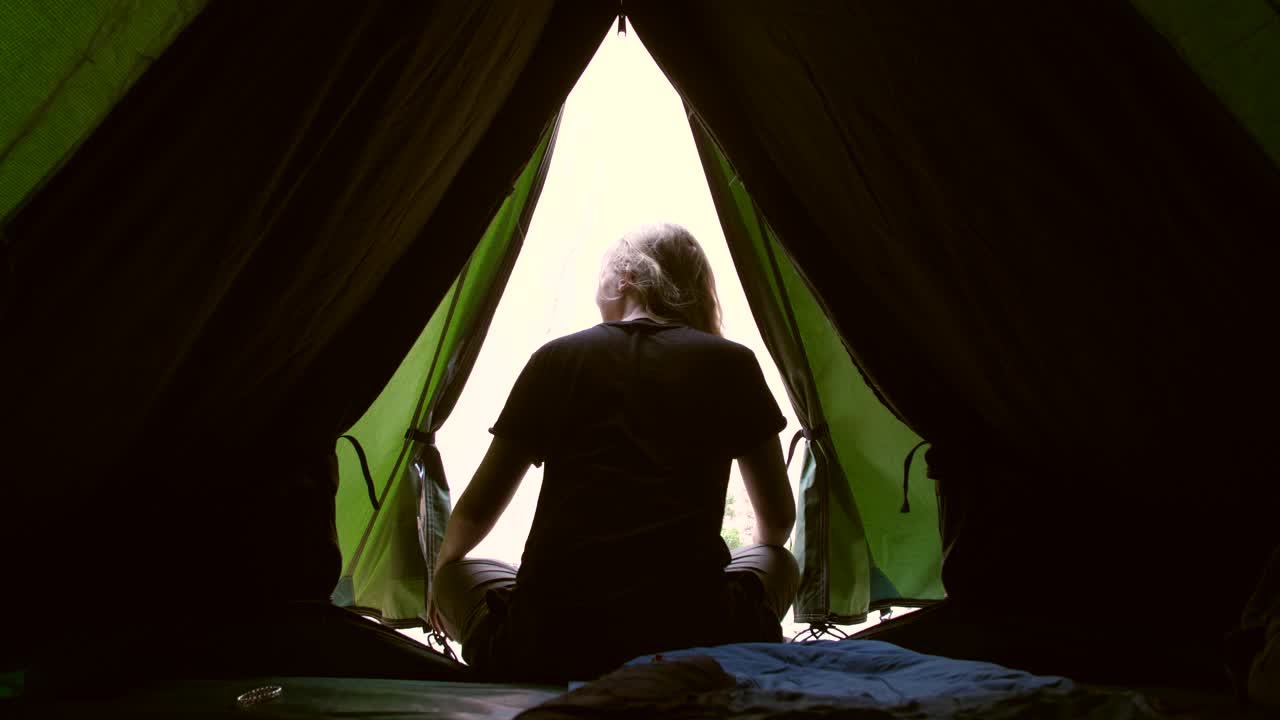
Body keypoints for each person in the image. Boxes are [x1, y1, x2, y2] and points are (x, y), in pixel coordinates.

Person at [428, 222, 798, 682]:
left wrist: (441, 572)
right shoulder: (733, 363)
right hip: (695, 637)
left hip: (548, 645)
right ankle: (738, 642)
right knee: (779, 561)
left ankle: (507, 648)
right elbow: (779, 522)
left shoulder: (557, 358)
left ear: (624, 277)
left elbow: (476, 511)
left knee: (455, 576)